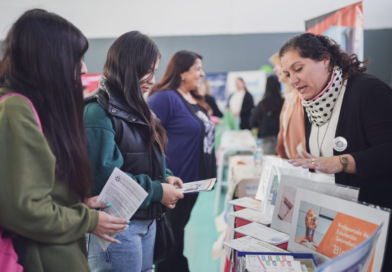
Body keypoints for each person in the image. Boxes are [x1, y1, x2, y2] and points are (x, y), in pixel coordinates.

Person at [0, 9, 128, 272]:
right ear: (49, 59)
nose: (83, 68)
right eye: (76, 58)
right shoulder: (16, 110)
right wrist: (88, 220)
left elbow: (36, 190)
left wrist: (76, 203)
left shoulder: (30, 106)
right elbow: (24, 209)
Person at [281, 33, 392, 271]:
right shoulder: (312, 104)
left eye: (298, 68)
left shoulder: (367, 91)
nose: (293, 79)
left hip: (374, 224)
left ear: (325, 60)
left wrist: (341, 162)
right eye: (287, 74)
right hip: (339, 224)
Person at [83, 31, 184, 272]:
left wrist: (165, 175)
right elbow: (105, 176)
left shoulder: (139, 108)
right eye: (148, 70)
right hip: (117, 223)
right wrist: (158, 190)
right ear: (129, 66)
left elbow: (144, 155)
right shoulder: (97, 111)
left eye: (155, 71)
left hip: (146, 220)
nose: (152, 79)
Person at [148, 50, 217, 272]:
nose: (202, 73)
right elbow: (148, 140)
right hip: (175, 182)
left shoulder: (193, 98)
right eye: (197, 69)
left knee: (177, 236)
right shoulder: (164, 97)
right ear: (182, 72)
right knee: (170, 240)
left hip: (193, 183)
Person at [269, 52, 306, 159]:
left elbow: (312, 133)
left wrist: (299, 155)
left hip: (302, 164)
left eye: (277, 65)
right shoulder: (289, 97)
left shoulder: (301, 96)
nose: (275, 70)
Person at [249, 75, 284, 154]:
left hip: (265, 140)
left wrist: (259, 123)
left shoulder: (263, 103)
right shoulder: (284, 103)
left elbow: (252, 122)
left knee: (266, 164)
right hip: (282, 140)